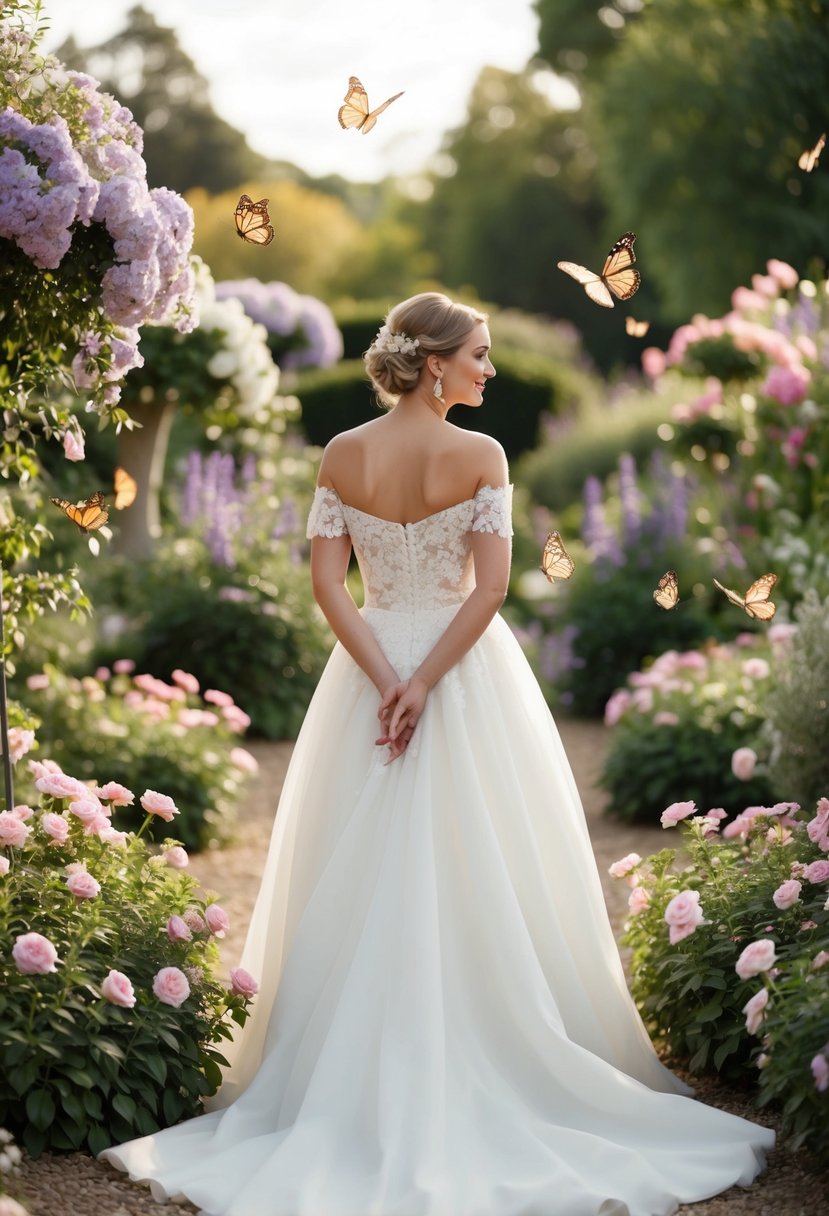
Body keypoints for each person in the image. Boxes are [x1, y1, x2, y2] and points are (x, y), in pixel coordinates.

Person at [101, 292, 774, 1215]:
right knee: (483, 852)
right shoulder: (481, 456)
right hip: (461, 673)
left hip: (365, 670)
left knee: (358, 857)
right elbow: (490, 590)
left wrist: (383, 674)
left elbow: (327, 588)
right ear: (433, 364)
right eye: (480, 356)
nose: (488, 370)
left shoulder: (343, 453)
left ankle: (349, 1064)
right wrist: (421, 685)